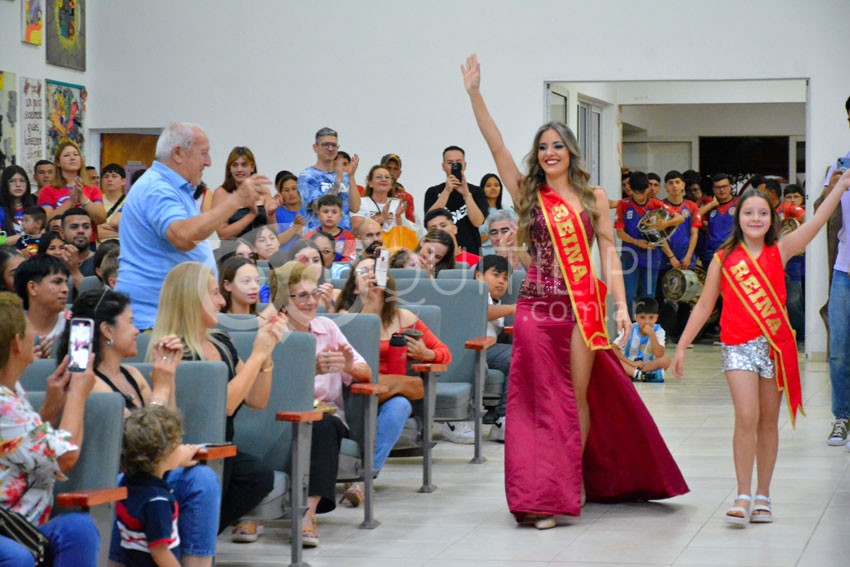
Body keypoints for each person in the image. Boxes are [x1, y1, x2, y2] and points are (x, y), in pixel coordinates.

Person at [462, 53, 688, 528]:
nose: (550, 152)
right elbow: (497, 145)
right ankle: (544, 492)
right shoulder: (527, 192)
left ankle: (570, 481)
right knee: (541, 399)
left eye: (558, 145)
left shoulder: (594, 198)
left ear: (571, 152)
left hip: (580, 308)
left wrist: (621, 308)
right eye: (543, 146)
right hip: (534, 307)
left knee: (575, 397)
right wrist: (475, 94)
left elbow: (609, 256)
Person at [673, 174, 850, 525]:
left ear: (772, 219)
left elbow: (816, 223)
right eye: (749, 213)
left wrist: (842, 187)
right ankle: (742, 493)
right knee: (747, 417)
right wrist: (681, 345)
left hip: (775, 350)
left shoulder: (780, 250)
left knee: (769, 423)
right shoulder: (723, 258)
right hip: (737, 348)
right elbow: (705, 305)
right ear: (738, 217)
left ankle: (763, 494)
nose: (756, 219)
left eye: (763, 214)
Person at [62, 289, 221, 566]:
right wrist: (160, 387)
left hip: (149, 476)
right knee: (188, 482)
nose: (138, 330)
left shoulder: (132, 375)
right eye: (131, 322)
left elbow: (168, 435)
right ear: (107, 330)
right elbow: (142, 444)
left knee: (201, 478)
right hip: (121, 477)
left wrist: (167, 378)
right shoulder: (90, 383)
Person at [149, 261, 287, 543]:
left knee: (257, 475)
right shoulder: (174, 349)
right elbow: (223, 405)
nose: (221, 301)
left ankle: (196, 539)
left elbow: (256, 399)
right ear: (191, 299)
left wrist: (267, 356)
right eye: (214, 293)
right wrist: (257, 356)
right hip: (188, 451)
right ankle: (191, 541)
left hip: (224, 447)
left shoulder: (221, 340)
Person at [116, 122, 269, 330]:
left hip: (174, 319)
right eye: (203, 153)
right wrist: (236, 201)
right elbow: (183, 237)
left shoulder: (176, 188)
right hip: (155, 321)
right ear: (178, 153)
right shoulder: (157, 188)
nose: (209, 162)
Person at [267, 260, 371, 547]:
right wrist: (308, 369)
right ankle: (251, 513)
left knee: (324, 425)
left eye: (314, 293)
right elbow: (265, 387)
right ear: (282, 302)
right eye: (302, 296)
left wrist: (349, 365)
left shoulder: (327, 327)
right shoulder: (271, 333)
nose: (312, 301)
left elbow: (366, 373)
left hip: (325, 416)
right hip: (277, 415)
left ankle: (306, 513)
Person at [335, 256, 452, 497]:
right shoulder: (343, 316)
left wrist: (426, 352)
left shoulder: (404, 318)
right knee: (360, 400)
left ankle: (365, 477)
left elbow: (445, 353)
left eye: (376, 269)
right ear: (354, 285)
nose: (371, 274)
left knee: (399, 406)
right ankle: (358, 476)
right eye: (364, 271)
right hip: (354, 390)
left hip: (392, 391)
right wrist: (365, 301)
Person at [0, 292, 100, 567]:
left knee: (78, 529)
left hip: (22, 525)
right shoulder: (2, 402)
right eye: (26, 329)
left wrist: (50, 410)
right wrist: (78, 394)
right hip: (8, 526)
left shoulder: (11, 388)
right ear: (16, 344)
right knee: (16, 557)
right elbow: (64, 458)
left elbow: (18, 445)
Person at [116, 405, 199, 567]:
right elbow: (160, 553)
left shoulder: (127, 483)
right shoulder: (157, 501)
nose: (182, 448)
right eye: (177, 445)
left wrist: (175, 461)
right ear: (164, 453)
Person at [615, 171, 683, 318]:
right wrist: (636, 242)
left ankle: (647, 331)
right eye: (636, 192)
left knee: (649, 296)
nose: (639, 196)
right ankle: (629, 330)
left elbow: (679, 218)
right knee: (629, 295)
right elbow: (619, 233)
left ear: (647, 189)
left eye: (642, 191)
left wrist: (665, 224)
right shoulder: (623, 205)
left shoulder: (656, 204)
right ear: (630, 190)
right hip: (630, 256)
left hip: (652, 256)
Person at [822, 96, 850, 448]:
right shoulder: (840, 166)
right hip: (844, 271)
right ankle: (841, 416)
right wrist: (833, 188)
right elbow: (823, 217)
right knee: (839, 348)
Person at [473, 255, 515, 441]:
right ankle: (502, 419)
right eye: (496, 275)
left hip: (488, 349)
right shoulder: (475, 293)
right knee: (517, 356)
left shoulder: (495, 300)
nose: (501, 281)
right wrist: (515, 308)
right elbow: (483, 311)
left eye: (505, 279)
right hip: (470, 349)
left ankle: (505, 418)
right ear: (478, 276)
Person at [656, 170, 701, 339]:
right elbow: (658, 235)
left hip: (685, 259)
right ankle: (660, 336)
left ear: (683, 185)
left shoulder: (691, 206)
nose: (674, 186)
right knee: (660, 297)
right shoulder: (660, 206)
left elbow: (694, 233)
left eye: (677, 182)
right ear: (665, 187)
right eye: (670, 183)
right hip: (664, 260)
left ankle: (683, 336)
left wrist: (689, 256)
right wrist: (670, 257)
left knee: (685, 300)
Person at [424, 145, 489, 256]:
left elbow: (478, 222)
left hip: (471, 252)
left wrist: (467, 195)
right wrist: (446, 191)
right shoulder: (433, 192)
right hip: (439, 254)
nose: (454, 166)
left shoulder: (476, 191)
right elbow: (430, 219)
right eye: (450, 163)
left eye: (458, 162)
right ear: (443, 166)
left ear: (464, 165)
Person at [298, 127, 361, 233]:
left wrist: (351, 176)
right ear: (315, 147)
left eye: (334, 145)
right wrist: (338, 182)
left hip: (344, 238)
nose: (330, 149)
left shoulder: (344, 175)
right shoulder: (307, 176)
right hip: (318, 238)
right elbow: (318, 206)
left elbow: (355, 207)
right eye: (326, 145)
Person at [213, 146, 278, 240]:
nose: (239, 169)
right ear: (229, 169)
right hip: (234, 251)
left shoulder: (264, 191)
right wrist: (250, 216)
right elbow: (223, 235)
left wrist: (271, 213)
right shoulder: (221, 193)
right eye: (235, 165)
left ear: (252, 167)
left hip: (261, 251)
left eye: (244, 165)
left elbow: (273, 232)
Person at [13, 255, 70, 359]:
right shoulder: (10, 329)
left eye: (66, 282)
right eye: (57, 282)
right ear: (32, 288)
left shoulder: (75, 327)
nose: (66, 289)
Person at [37, 141, 106, 225]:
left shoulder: (93, 189)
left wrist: (82, 198)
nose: (72, 158)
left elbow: (101, 218)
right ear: (58, 163)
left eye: (76, 154)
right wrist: (71, 201)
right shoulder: (47, 190)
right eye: (66, 155)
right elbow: (45, 221)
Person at [613, 297, 670, 383]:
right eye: (642, 317)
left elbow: (659, 354)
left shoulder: (659, 331)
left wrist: (652, 334)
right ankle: (640, 375)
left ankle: (634, 374)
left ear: (656, 318)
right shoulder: (630, 328)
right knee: (612, 360)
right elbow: (613, 349)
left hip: (647, 366)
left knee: (666, 361)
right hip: (629, 364)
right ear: (636, 317)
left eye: (651, 318)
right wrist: (631, 363)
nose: (647, 322)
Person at [350, 165, 407, 233]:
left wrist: (398, 216)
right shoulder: (361, 202)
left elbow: (401, 232)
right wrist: (381, 219)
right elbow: (356, 229)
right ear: (370, 183)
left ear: (391, 185)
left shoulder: (397, 203)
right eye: (379, 177)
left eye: (387, 177)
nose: (384, 179)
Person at [699, 173, 739, 266]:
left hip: (733, 254)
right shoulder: (709, 205)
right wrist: (711, 205)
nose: (721, 190)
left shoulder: (739, 203)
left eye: (724, 186)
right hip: (711, 255)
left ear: (730, 187)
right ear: (713, 189)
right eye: (718, 187)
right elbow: (694, 216)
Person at [305, 195, 356, 263]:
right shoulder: (310, 235)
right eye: (325, 212)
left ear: (340, 216)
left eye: (334, 212)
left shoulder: (347, 236)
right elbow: (305, 257)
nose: (329, 215)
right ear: (318, 215)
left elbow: (349, 260)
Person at [0, 165, 38, 246]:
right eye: (12, 181)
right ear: (4, 184)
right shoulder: (1, 211)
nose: (18, 184)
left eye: (22, 180)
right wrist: (26, 236)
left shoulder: (35, 208)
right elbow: (0, 241)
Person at [271, 171, 305, 251]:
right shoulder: (276, 213)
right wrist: (295, 227)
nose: (291, 193)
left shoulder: (309, 210)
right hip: (284, 258)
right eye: (286, 190)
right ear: (280, 194)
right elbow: (274, 241)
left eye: (294, 189)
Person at [380, 154, 415, 222]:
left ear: (399, 173)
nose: (391, 173)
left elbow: (411, 225)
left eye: (395, 169)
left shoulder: (406, 197)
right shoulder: (369, 195)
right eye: (388, 168)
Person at [97, 163, 127, 243]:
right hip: (101, 251)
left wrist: (104, 227)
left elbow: (136, 230)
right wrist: (125, 232)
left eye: (114, 176)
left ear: (123, 181)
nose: (109, 179)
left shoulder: (131, 201)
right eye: (106, 176)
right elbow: (96, 232)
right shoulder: (96, 201)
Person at [479, 173, 505, 255]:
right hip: (481, 253)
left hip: (504, 252)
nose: (493, 188)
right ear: (482, 189)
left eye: (496, 185)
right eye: (488, 185)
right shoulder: (476, 211)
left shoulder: (507, 211)